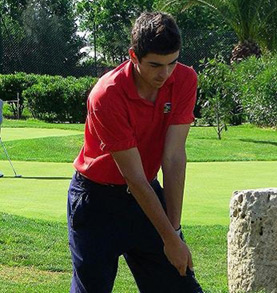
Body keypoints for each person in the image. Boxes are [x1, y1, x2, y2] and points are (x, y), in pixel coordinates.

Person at [67, 11, 203, 292]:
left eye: (172, 63)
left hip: (147, 195)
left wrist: (174, 233)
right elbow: (134, 177)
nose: (164, 74)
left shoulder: (185, 79)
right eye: (155, 65)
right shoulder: (107, 95)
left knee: (180, 287)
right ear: (133, 55)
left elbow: (174, 157)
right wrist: (169, 238)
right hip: (96, 203)